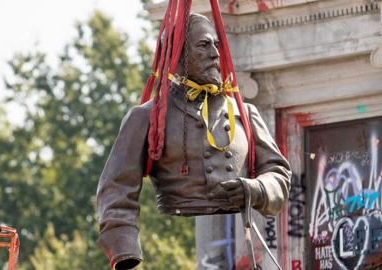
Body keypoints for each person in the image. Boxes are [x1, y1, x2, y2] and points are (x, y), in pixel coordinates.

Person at [97, 13, 291, 270]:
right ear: (176, 55)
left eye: (216, 45)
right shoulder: (146, 117)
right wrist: (124, 250)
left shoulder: (243, 113)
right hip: (177, 215)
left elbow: (279, 173)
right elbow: (116, 187)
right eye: (203, 45)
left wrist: (255, 189)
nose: (214, 54)